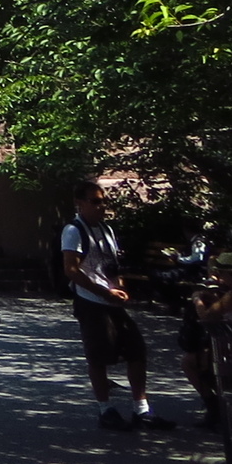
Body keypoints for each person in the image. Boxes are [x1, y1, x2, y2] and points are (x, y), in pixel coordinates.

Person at [61, 180, 173, 431]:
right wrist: (102, 291)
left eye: (104, 201)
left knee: (136, 350)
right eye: (95, 201)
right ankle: (106, 409)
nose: (102, 207)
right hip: (91, 301)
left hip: (112, 300)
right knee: (98, 356)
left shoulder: (106, 229)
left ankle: (141, 409)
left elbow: (112, 264)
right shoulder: (73, 230)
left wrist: (118, 287)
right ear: (79, 204)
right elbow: (71, 270)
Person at [181, 251, 232, 430]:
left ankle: (214, 406)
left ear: (228, 274)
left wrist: (197, 300)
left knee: (188, 362)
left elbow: (206, 317)